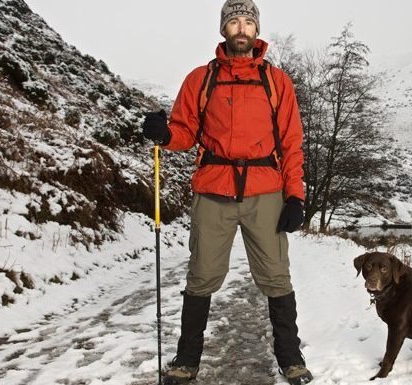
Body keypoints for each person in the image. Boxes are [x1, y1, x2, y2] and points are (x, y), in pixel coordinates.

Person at [141, 1, 312, 384]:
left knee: (276, 276)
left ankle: (291, 358)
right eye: (233, 21)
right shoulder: (200, 79)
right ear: (223, 30)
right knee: (201, 275)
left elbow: (292, 143)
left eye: (247, 21)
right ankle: (186, 360)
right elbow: (184, 132)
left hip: (265, 190)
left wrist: (295, 196)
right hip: (213, 190)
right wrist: (164, 134)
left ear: (256, 31)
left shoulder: (277, 81)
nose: (241, 28)